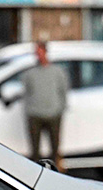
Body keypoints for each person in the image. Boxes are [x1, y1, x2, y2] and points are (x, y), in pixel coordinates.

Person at [22, 41, 69, 170]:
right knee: (35, 150)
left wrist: (61, 108)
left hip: (53, 113)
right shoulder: (30, 73)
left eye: (40, 52)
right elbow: (26, 93)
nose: (39, 55)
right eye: (36, 53)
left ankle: (55, 171)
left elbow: (63, 91)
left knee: (55, 147)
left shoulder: (57, 72)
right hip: (35, 114)